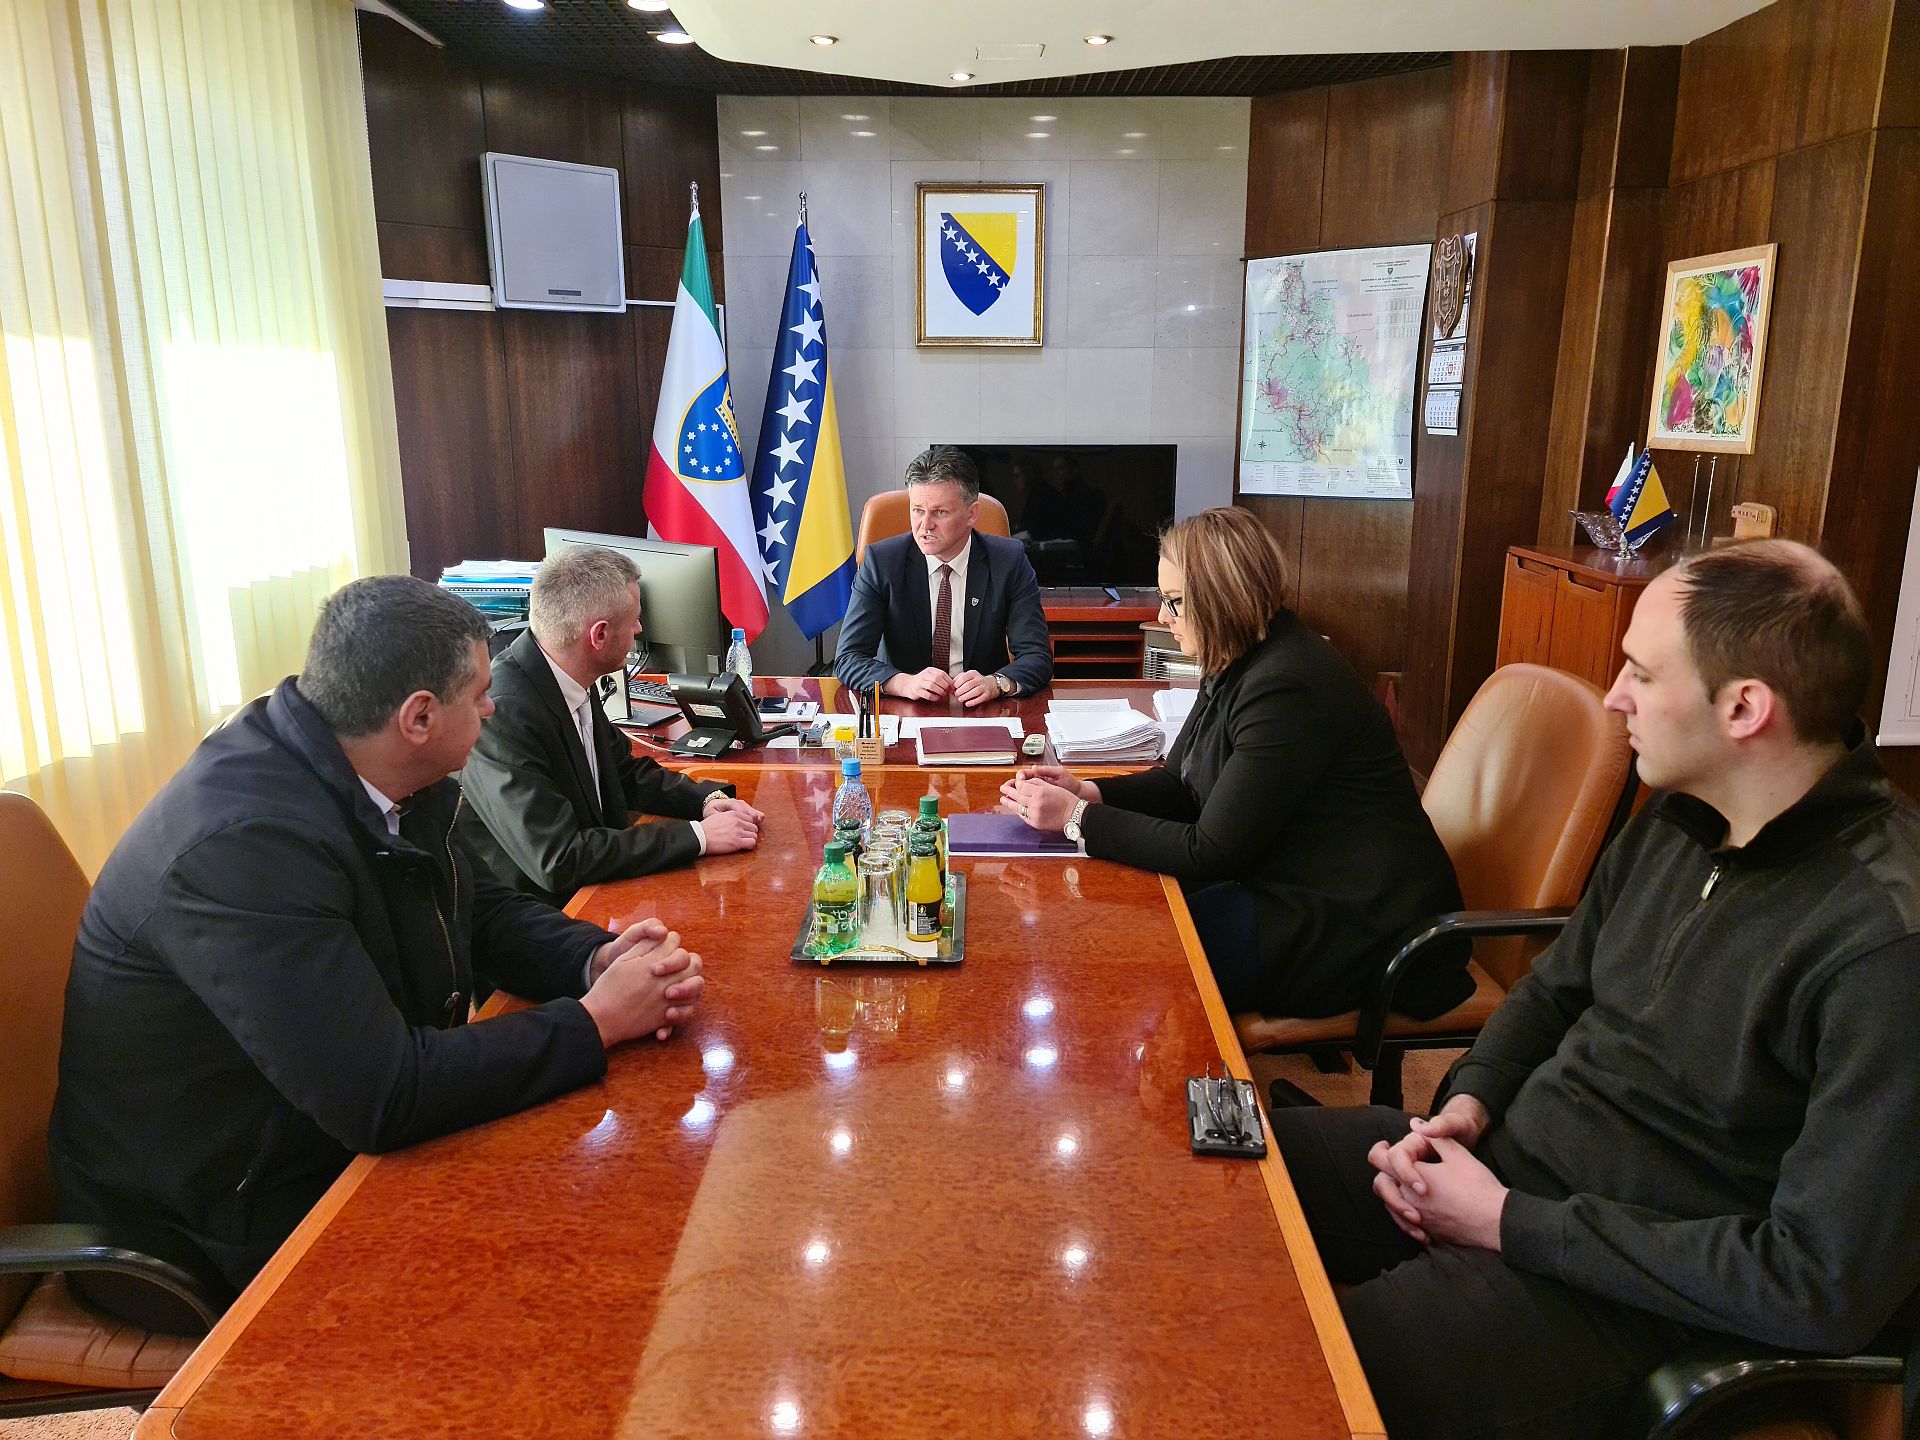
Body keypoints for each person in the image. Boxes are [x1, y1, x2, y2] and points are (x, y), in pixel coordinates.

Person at [1267, 540, 1920, 1440]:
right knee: (1221, 1167)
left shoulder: (1882, 944)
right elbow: (1553, 990)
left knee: (1284, 1379)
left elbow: (1819, 1283)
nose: (1614, 699)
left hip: (1619, 1286)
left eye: (1641, 675)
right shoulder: (1681, 816)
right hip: (1505, 1174)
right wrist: (1465, 1106)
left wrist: (1508, 1224)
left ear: (1743, 707)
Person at [49, 576, 707, 1330]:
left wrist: (598, 959)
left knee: (608, 1199)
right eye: (481, 695)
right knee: (568, 1288)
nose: (494, 710)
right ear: (418, 717)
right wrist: (596, 1022)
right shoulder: (244, 847)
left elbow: (478, 907)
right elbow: (383, 1096)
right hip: (210, 1226)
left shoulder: (369, 761)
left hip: (310, 1143)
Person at [1000, 505, 1470, 1020]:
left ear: (1222, 600)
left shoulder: (1288, 684)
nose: (1162, 617)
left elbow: (1209, 851)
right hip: (1285, 875)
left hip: (1359, 916)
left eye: (1175, 602)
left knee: (1137, 952)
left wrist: (1076, 819)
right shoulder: (1239, 654)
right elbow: (1179, 784)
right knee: (1121, 921)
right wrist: (1089, 792)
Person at [458, 546, 764, 903]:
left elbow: (623, 772)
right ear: (599, 635)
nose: (640, 629)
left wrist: (705, 800)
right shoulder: (503, 713)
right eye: (635, 620)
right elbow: (560, 858)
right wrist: (700, 837)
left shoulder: (567, 672)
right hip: (540, 912)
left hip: (594, 890)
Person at [835, 445, 1053, 705]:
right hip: (904, 707)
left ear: (971, 514)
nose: (925, 525)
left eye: (940, 512)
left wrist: (996, 684)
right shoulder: (882, 563)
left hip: (981, 709)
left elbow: (1037, 656)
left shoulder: (1008, 561)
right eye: (917, 510)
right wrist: (905, 683)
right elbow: (848, 658)